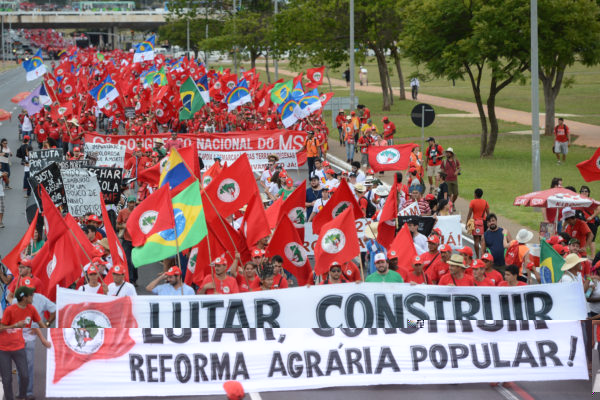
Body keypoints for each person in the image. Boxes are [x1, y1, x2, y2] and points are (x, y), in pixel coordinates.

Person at [0, 286, 51, 400]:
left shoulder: (31, 309)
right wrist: (15, 325)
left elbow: (40, 325)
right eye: (31, 295)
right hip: (4, 349)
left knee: (25, 376)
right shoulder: (9, 310)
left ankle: (22, 396)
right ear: (24, 298)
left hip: (19, 347)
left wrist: (44, 339)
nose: (33, 296)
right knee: (7, 379)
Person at [117, 196, 138, 286]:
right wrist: (124, 226)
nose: (132, 204)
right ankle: (130, 279)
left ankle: (134, 279)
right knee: (128, 260)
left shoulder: (138, 211)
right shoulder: (122, 212)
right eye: (130, 202)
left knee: (135, 261)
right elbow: (117, 225)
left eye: (133, 202)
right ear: (128, 203)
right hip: (126, 239)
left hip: (136, 240)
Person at [467, 188, 490, 258]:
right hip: (484, 223)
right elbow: (488, 214)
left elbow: (469, 214)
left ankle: (477, 257)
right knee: (483, 241)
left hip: (476, 223)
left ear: (475, 194)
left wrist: (467, 223)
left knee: (476, 241)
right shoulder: (485, 202)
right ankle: (484, 256)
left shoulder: (472, 202)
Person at [578, 185, 599, 256]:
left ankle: (593, 256)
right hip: (583, 223)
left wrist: (591, 217)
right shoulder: (578, 200)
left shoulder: (591, 200)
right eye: (582, 191)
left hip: (591, 223)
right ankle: (584, 253)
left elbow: (598, 209)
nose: (584, 192)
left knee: (591, 240)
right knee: (584, 239)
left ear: (588, 193)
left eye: (586, 191)